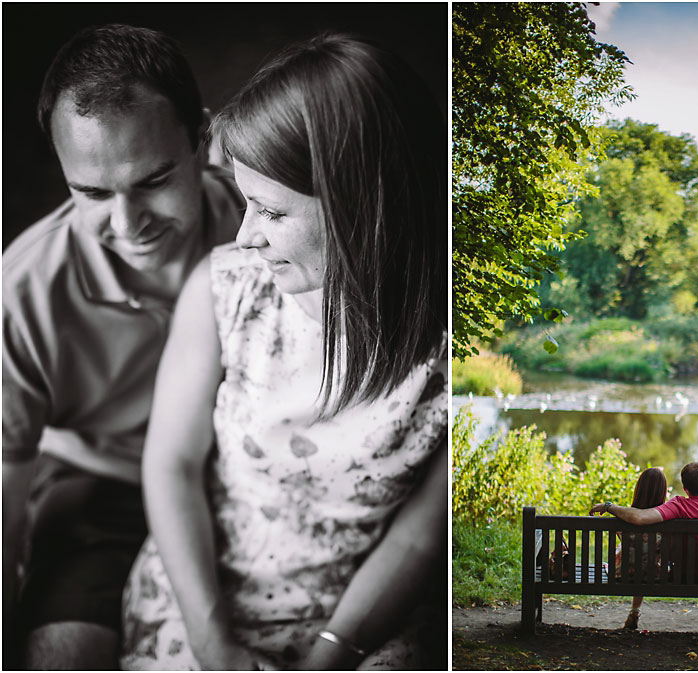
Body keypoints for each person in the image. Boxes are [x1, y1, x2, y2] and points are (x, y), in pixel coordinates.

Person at [119, 33, 447, 670]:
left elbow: (418, 537)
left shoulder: (444, 349)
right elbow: (170, 465)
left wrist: (333, 650)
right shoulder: (225, 291)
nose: (245, 237)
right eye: (246, 204)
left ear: (360, 206)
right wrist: (213, 643)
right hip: (205, 592)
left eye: (270, 211)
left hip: (359, 616)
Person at [2, 24, 243, 669]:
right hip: (99, 492)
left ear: (203, 138)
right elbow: (5, 493)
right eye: (93, 193)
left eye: (154, 179)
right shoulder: (19, 294)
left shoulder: (269, 221)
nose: (126, 223)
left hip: (249, 477)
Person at [590, 462, 698, 632]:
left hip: (684, 574)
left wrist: (609, 506)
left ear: (684, 487)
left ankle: (635, 610)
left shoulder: (679, 506)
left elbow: (640, 518)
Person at [589, 467, 667, 630]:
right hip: (654, 575)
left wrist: (608, 506)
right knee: (645, 561)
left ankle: (634, 611)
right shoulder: (666, 520)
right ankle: (635, 610)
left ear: (638, 489)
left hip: (621, 573)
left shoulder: (625, 518)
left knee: (635, 558)